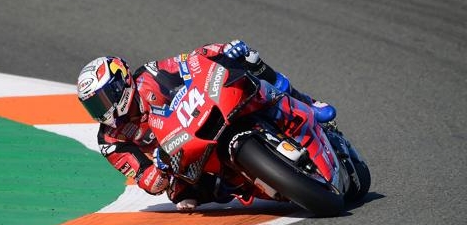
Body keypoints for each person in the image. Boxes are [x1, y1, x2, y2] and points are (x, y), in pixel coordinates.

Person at [76, 40, 336, 211]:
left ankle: (306, 101)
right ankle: (253, 182)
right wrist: (159, 170)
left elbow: (191, 61)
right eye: (94, 106)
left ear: (121, 83)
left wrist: (224, 49)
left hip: (201, 113)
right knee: (181, 195)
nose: (102, 110)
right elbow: (146, 180)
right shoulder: (110, 141)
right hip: (180, 159)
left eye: (102, 99)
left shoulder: (151, 75)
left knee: (250, 61)